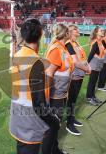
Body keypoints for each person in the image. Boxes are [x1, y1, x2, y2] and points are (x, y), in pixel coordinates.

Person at [9, 18, 65, 154]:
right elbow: (38, 103)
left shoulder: (18, 55)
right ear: (40, 35)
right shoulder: (36, 62)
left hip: (17, 116)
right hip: (30, 121)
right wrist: (54, 120)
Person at [44, 23, 74, 153]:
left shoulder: (63, 47)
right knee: (52, 127)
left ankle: (54, 149)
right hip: (54, 96)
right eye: (69, 32)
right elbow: (49, 73)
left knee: (56, 125)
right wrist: (46, 97)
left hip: (61, 93)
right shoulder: (57, 49)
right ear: (66, 33)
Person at [65, 25, 91, 136]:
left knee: (74, 99)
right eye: (76, 29)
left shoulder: (76, 43)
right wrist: (87, 69)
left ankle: (72, 118)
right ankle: (69, 123)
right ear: (71, 32)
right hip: (74, 76)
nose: (78, 31)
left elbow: (82, 57)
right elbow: (75, 62)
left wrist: (87, 66)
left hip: (79, 74)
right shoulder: (68, 44)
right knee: (71, 99)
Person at [86, 26, 105, 106]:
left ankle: (93, 96)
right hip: (94, 64)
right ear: (97, 32)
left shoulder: (100, 41)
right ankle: (89, 97)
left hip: (98, 63)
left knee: (94, 81)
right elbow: (90, 55)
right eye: (101, 30)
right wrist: (87, 66)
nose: (102, 31)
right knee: (92, 82)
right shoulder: (95, 42)